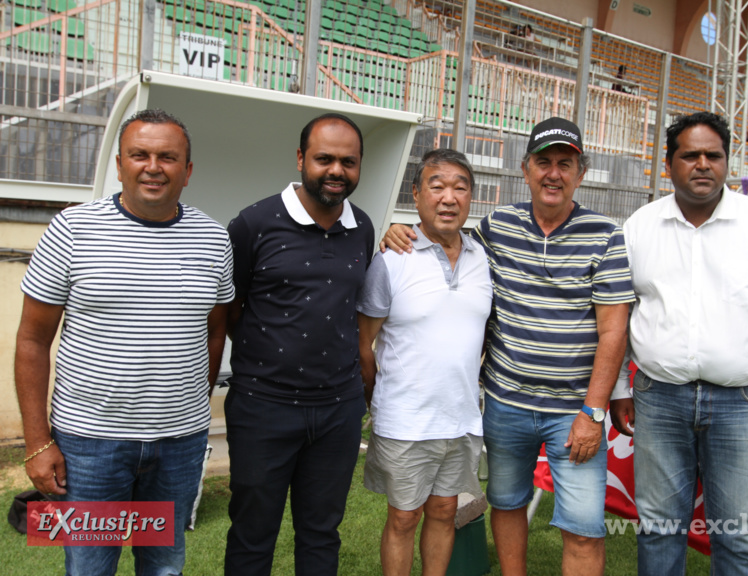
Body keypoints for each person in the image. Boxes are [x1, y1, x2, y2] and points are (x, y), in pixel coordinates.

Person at [382, 117, 634, 576]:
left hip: (574, 412)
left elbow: (614, 333)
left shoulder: (606, 235)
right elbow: (444, 239)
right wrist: (400, 230)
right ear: (525, 169)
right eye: (544, 162)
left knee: (583, 528)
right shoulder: (497, 227)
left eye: (565, 164)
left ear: (581, 173)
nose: (553, 173)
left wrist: (594, 412)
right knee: (507, 504)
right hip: (505, 405)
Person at [609, 111, 748, 576]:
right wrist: (618, 387)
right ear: (668, 164)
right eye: (689, 155)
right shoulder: (640, 227)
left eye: (713, 155)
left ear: (727, 162)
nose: (702, 165)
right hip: (659, 399)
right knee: (658, 530)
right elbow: (620, 314)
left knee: (737, 538)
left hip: (744, 405)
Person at [15, 108, 234, 575]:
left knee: (163, 566)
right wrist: (37, 443)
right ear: (119, 165)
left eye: (167, 157)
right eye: (139, 155)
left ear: (187, 171)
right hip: (90, 446)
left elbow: (215, 330)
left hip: (179, 444)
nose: (153, 167)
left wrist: (190, 403)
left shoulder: (214, 240)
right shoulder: (72, 230)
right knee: (91, 567)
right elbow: (32, 340)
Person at [223, 113, 373, 576]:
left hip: (337, 412)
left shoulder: (363, 227)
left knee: (322, 533)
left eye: (348, 161)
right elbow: (230, 310)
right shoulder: (253, 223)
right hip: (262, 408)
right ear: (300, 158)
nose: (336, 170)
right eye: (324, 158)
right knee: (252, 533)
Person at [358, 149, 493, 575]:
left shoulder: (483, 258)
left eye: (460, 188)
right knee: (403, 517)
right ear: (416, 195)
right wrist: (376, 400)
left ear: (470, 197)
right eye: (437, 187)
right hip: (406, 421)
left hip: (461, 418)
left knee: (444, 512)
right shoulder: (391, 258)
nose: (449, 198)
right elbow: (363, 343)